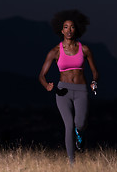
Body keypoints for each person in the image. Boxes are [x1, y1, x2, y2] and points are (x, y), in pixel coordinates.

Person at [39, 9, 98, 164]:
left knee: (80, 123)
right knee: (69, 125)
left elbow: (95, 72)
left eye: (72, 27)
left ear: (76, 29)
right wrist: (47, 86)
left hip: (81, 90)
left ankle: (81, 135)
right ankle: (72, 164)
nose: (69, 30)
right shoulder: (55, 51)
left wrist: (94, 82)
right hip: (62, 91)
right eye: (66, 27)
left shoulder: (84, 49)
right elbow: (41, 75)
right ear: (61, 30)